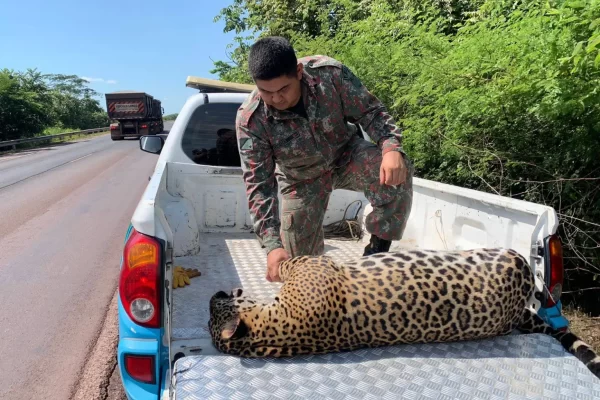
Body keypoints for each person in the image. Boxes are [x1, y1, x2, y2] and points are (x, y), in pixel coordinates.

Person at [236, 36, 414, 283]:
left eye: (283, 89)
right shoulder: (251, 120)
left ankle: (375, 255)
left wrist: (391, 147)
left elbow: (371, 112)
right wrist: (272, 245)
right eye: (266, 91)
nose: (276, 99)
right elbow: (259, 186)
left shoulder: (329, 75)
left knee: (397, 167)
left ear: (298, 72)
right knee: (300, 270)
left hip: (346, 156)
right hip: (300, 180)